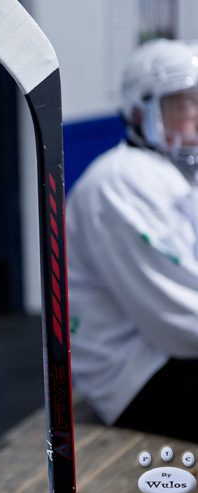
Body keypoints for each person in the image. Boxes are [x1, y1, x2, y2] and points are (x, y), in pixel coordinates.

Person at [66, 39, 198, 441]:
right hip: (134, 377)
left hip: (167, 357)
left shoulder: (169, 172)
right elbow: (181, 322)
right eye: (182, 105)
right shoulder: (119, 184)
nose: (196, 117)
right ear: (142, 112)